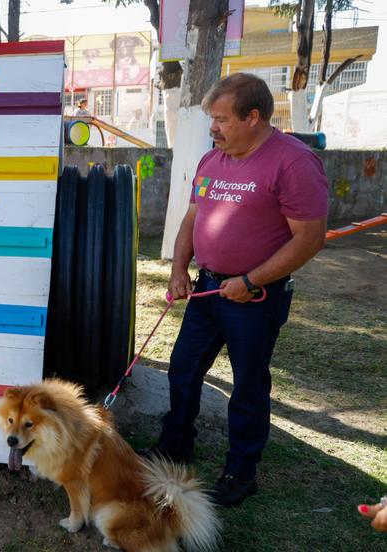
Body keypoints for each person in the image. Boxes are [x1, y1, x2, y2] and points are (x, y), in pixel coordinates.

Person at [141, 73, 328, 507]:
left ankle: (241, 472)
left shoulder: (294, 163)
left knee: (248, 384)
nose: (213, 129)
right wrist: (178, 270)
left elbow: (309, 239)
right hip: (208, 289)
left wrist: (251, 282)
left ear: (254, 117)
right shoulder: (212, 161)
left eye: (222, 120)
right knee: (183, 367)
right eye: (212, 119)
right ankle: (175, 446)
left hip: (256, 298)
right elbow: (192, 219)